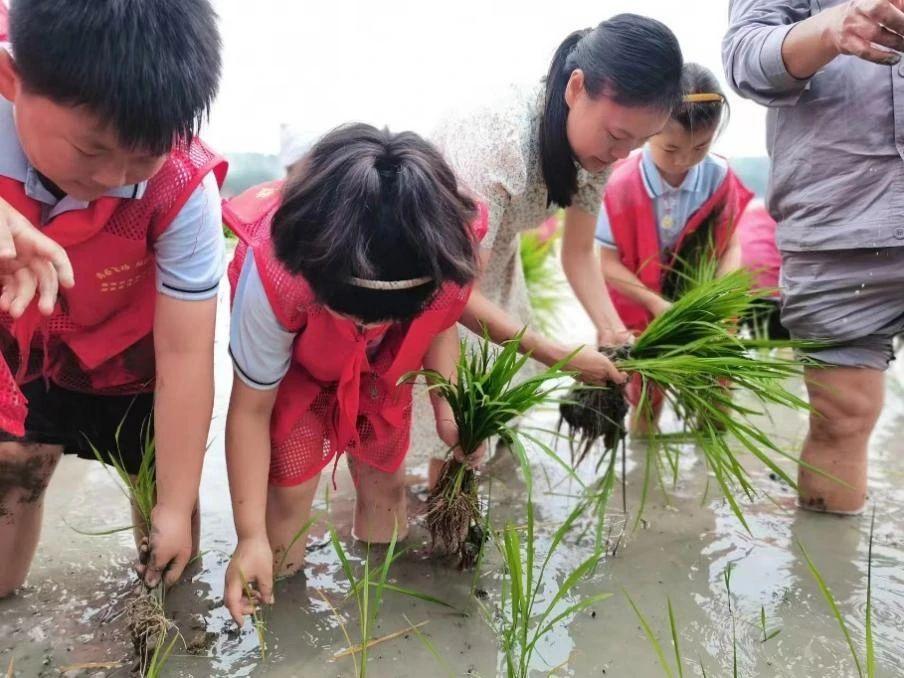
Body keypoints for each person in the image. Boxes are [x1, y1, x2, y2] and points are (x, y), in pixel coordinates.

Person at [0, 0, 225, 598]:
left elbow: (186, 354)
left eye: (143, 155)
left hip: (132, 359)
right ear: (11, 80)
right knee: (13, 474)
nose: (113, 178)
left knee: (168, 530)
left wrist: (175, 504)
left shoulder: (183, 189)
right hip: (19, 345)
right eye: (91, 150)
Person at [222, 124, 487, 624]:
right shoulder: (277, 269)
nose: (367, 326)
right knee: (287, 499)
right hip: (301, 368)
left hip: (383, 368)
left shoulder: (442, 242)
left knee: (387, 484)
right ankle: (283, 614)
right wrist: (248, 536)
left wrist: (448, 409)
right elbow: (251, 410)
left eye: (383, 315)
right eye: (356, 315)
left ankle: (384, 618)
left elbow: (440, 323)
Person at [413, 14, 684, 473]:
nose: (622, 155)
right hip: (431, 278)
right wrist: (559, 355)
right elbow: (452, 293)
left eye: (639, 143)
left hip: (495, 271)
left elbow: (578, 254)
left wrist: (612, 331)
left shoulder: (597, 154)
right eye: (618, 136)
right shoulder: (497, 137)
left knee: (489, 427)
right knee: (448, 426)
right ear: (576, 88)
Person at [723, 0, 904, 514]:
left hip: (835, 222)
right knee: (840, 418)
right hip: (839, 222)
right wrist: (829, 28)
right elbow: (744, 57)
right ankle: (828, 557)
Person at [597, 63, 753, 431]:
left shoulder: (718, 177)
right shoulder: (620, 184)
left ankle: (708, 455)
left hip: (701, 307)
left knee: (715, 391)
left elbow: (731, 244)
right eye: (671, 148)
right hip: (641, 301)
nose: (684, 160)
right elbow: (605, 262)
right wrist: (655, 303)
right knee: (645, 395)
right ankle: (642, 458)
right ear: (649, 129)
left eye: (701, 147)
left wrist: (718, 294)